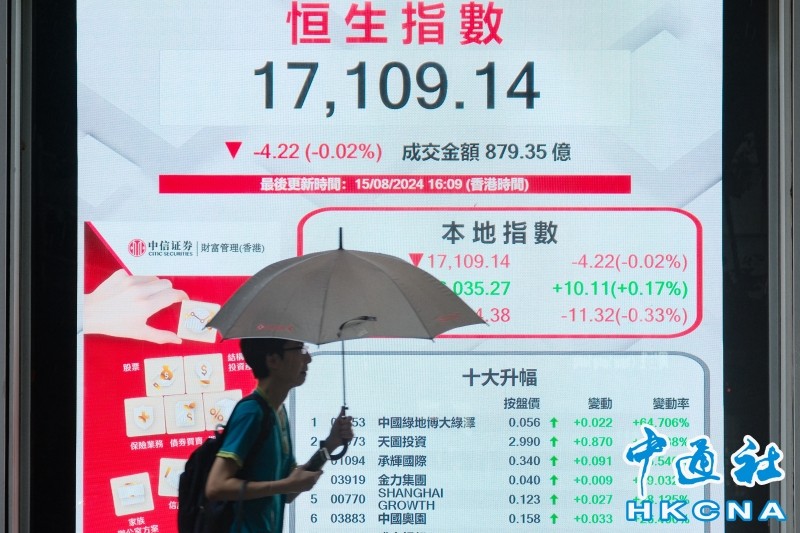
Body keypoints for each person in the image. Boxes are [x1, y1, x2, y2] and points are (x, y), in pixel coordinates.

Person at [205, 337, 353, 532]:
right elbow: (215, 487)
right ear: (273, 360)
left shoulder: (279, 413)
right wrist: (284, 485)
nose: (308, 358)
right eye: (300, 349)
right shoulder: (251, 412)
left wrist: (330, 445)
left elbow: (289, 491)